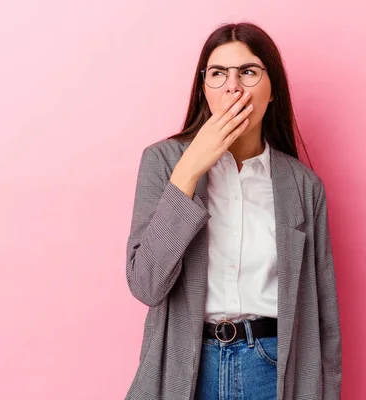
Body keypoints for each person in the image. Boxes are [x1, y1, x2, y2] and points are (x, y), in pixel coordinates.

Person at [124, 22, 341, 400]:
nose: (233, 86)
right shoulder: (164, 162)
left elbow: (324, 319)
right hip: (188, 366)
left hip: (273, 366)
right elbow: (146, 285)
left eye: (248, 72)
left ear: (272, 90)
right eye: (218, 73)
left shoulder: (305, 187)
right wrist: (190, 170)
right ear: (204, 88)